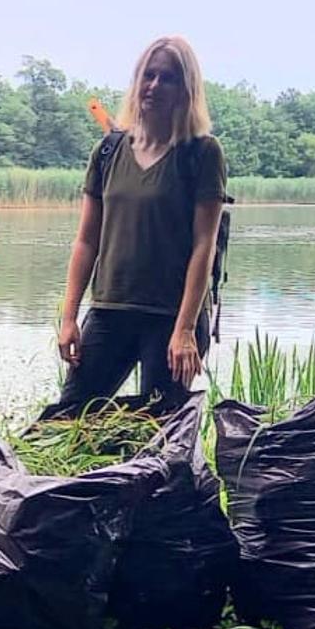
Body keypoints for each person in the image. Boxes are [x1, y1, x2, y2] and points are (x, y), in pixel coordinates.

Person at [55, 36, 226, 407]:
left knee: (162, 432)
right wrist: (68, 317)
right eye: (148, 75)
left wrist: (184, 331)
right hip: (109, 310)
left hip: (171, 315)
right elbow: (86, 241)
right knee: (71, 418)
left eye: (168, 78)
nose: (155, 86)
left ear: (187, 89)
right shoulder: (108, 151)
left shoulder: (202, 152)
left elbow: (204, 246)